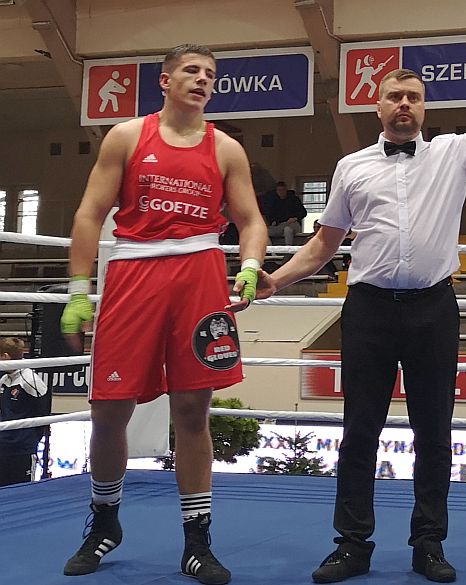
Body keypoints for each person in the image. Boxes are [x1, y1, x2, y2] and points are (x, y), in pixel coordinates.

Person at [255, 19, 466, 584]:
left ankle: (429, 544)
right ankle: (352, 544)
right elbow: (324, 244)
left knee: (435, 430)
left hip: (433, 307)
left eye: (414, 97)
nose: (404, 104)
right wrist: (272, 281)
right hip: (369, 310)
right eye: (394, 97)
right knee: (360, 430)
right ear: (377, 107)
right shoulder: (350, 167)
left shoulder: (454, 153)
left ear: (424, 108)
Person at [59, 44, 266, 585]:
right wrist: (80, 289)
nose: (202, 80)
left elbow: (250, 220)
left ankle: (197, 542)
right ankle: (104, 522)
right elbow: (88, 213)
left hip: (199, 277)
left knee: (194, 410)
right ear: (167, 81)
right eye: (192, 71)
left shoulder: (226, 149)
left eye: (211, 75)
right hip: (133, 275)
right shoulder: (127, 137)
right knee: (109, 408)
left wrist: (248, 266)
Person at [0, 337, 49, 487]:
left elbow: (43, 413)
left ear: (6, 357)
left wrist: (31, 440)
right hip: (3, 446)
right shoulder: (4, 380)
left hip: (22, 449)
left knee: (22, 489)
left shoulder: (30, 380)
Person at [258, 181, 308, 246]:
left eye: (282, 190)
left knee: (287, 229)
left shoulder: (294, 199)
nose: (281, 192)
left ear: (286, 190)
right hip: (280, 225)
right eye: (279, 190)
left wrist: (295, 218)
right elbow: (271, 214)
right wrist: (273, 221)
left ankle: (288, 249)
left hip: (293, 224)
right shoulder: (275, 202)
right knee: (263, 232)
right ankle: (272, 251)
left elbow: (303, 212)